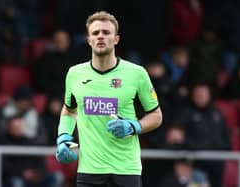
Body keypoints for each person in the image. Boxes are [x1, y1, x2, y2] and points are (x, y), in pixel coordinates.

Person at [55, 11, 163, 187]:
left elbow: (156, 116)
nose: (100, 37)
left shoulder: (136, 73)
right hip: (89, 170)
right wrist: (63, 137)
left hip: (126, 170)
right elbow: (69, 109)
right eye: (95, 33)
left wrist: (133, 126)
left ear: (116, 39)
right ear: (89, 40)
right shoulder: (74, 74)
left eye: (106, 32)